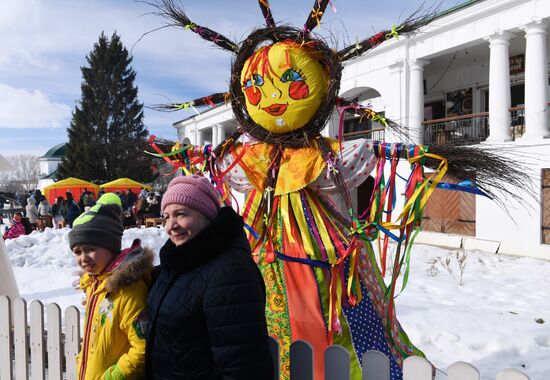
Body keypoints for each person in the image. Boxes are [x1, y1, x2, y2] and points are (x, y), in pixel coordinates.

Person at [145, 175, 273, 379]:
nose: (170, 225)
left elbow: (241, 367)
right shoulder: (178, 263)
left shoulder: (230, 272)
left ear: (207, 216)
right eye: (166, 216)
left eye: (180, 214)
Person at [69, 193, 153, 380]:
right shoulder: (95, 286)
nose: (83, 258)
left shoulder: (128, 291)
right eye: (77, 251)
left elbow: (142, 348)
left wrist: (112, 377)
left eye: (90, 249)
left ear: (111, 247)